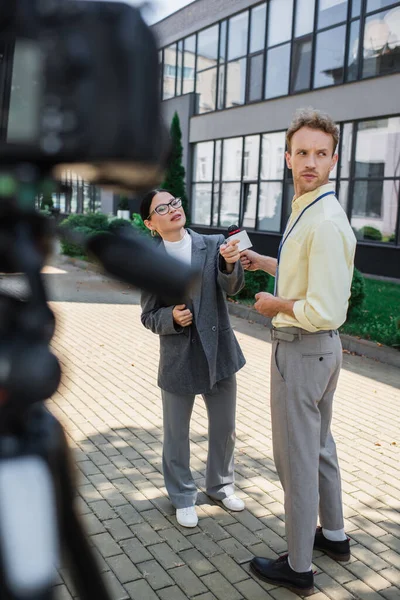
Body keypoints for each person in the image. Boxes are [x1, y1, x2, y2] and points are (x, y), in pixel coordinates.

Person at [241, 108, 356, 597]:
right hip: (320, 353)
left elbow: (322, 307)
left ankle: (300, 567)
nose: (310, 161)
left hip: (304, 348)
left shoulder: (324, 220)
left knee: (297, 459)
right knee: (321, 448)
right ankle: (333, 537)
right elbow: (302, 270)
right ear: (288, 157)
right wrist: (265, 262)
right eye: (302, 152)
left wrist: (274, 304)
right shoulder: (307, 209)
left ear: (334, 159)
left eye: (320, 154)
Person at [140, 189, 246, 528]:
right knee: (176, 434)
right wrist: (171, 317)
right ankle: (183, 495)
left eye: (175, 203)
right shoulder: (151, 260)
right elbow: (148, 315)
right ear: (150, 223)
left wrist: (230, 262)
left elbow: (233, 288)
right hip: (178, 356)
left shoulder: (213, 244)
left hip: (219, 352)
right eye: (162, 208)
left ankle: (220, 485)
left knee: (225, 428)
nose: (173, 210)